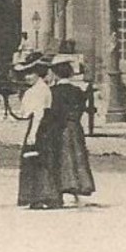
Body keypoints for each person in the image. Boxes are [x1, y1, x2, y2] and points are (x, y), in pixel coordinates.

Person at [12, 56, 62, 209]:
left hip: (39, 127)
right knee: (40, 161)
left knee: (36, 162)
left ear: (37, 74)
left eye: (30, 73)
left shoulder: (39, 90)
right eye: (25, 74)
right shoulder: (38, 89)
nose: (27, 77)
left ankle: (38, 197)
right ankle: (42, 196)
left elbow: (38, 113)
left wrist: (33, 133)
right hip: (40, 126)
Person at [48, 58, 96, 206]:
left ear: (55, 75)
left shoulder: (53, 92)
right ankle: (79, 189)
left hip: (60, 127)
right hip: (76, 127)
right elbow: (83, 107)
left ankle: (62, 190)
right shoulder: (77, 91)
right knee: (77, 157)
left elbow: (52, 112)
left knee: (61, 158)